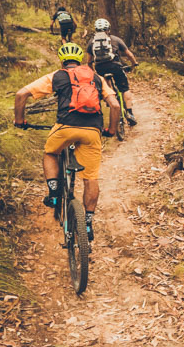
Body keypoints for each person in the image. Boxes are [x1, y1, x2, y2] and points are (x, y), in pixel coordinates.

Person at [13, 42, 120, 242]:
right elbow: (114, 105)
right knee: (91, 178)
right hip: (92, 131)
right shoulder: (95, 78)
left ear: (62, 60)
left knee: (51, 153)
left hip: (65, 127)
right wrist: (111, 130)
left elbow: (21, 94)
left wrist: (20, 121)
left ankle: (54, 192)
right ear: (80, 60)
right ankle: (87, 223)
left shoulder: (58, 76)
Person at [84, 18, 138, 126]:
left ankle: (110, 98)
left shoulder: (91, 42)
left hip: (100, 68)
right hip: (115, 66)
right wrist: (134, 64)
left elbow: (89, 61)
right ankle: (130, 113)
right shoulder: (115, 39)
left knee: (106, 83)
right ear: (108, 29)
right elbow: (129, 54)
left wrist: (93, 71)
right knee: (125, 88)